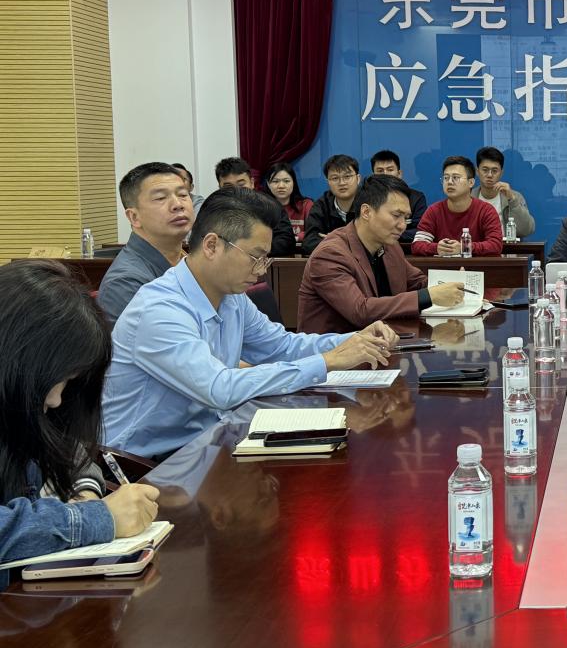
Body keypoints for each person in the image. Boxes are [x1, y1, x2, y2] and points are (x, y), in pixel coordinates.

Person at [103, 186, 398, 460]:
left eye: (265, 259)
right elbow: (219, 389)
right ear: (211, 245)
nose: (260, 271)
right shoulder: (160, 309)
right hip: (146, 464)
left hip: (206, 441)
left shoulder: (231, 297)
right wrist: (327, 361)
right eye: (255, 257)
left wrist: (354, 341)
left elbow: (281, 346)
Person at [0, 261, 160, 586]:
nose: (56, 400)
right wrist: (96, 518)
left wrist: (84, 492)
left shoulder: (27, 408)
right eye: (58, 380)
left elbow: (68, 445)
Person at [297, 174, 465, 333]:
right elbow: (360, 311)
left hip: (383, 342)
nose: (402, 225)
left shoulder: (389, 245)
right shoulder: (330, 254)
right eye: (396, 215)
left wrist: (455, 284)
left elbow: (417, 283)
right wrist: (429, 296)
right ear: (366, 212)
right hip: (336, 349)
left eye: (406, 218)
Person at [98, 162, 193, 324]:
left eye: (183, 194)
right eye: (161, 198)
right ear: (134, 217)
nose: (178, 205)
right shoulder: (124, 284)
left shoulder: (190, 262)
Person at [411, 156, 503, 257]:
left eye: (456, 177)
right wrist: (436, 248)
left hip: (476, 267)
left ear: (471, 182)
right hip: (443, 266)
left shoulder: (486, 211)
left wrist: (464, 247)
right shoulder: (434, 211)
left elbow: (495, 245)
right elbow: (417, 245)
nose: (449, 182)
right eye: (446, 178)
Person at [214, 157, 296, 257]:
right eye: (228, 187)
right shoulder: (212, 211)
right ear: (220, 188)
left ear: (252, 183)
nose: (236, 191)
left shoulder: (270, 206)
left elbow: (287, 241)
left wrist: (255, 251)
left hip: (263, 262)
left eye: (241, 184)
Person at [302, 154, 362, 256]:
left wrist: (333, 240)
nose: (342, 183)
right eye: (335, 178)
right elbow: (309, 243)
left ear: (358, 178)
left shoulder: (369, 202)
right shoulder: (321, 206)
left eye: (347, 176)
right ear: (328, 182)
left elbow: (374, 240)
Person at [475, 146, 535, 239]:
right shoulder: (468, 197)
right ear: (477, 171)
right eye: (485, 170)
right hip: (477, 247)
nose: (490, 175)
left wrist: (512, 200)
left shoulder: (515, 196)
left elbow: (526, 230)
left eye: (494, 171)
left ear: (501, 173)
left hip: (507, 247)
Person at [370, 149, 427, 246]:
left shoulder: (416, 198)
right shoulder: (367, 198)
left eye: (390, 170)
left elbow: (421, 231)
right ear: (373, 176)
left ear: (399, 173)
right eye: (380, 171)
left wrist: (386, 234)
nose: (385, 174)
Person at [264, 161, 313, 243]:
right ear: (268, 184)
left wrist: (293, 239)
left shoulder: (306, 205)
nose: (281, 186)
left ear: (293, 183)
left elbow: (313, 231)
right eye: (275, 181)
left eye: (286, 181)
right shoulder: (263, 207)